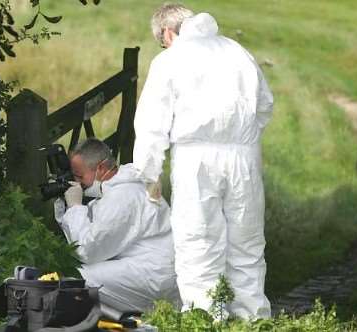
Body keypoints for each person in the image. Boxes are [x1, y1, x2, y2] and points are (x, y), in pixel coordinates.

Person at [133, 3, 273, 319]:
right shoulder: (238, 52)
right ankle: (251, 318)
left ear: (167, 32)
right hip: (243, 156)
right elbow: (265, 105)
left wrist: (150, 173)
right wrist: (242, 138)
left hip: (195, 158)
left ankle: (205, 318)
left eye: (162, 39)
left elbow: (152, 123)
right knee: (247, 242)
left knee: (198, 241)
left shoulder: (169, 60)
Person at [54, 138, 180, 313]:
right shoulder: (124, 187)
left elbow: (87, 250)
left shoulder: (123, 196)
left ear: (101, 168)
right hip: (157, 267)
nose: (77, 182)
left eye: (80, 176)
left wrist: (75, 207)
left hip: (153, 274)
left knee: (75, 280)